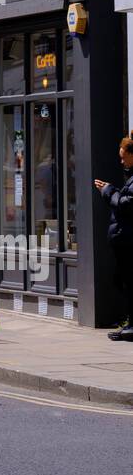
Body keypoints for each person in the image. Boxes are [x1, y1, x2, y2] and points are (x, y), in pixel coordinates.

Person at [95, 134, 133, 341]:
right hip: (124, 240)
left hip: (129, 241)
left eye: (124, 157)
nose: (121, 161)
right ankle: (129, 323)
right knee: (123, 282)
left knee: (127, 282)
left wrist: (109, 191)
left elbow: (127, 204)